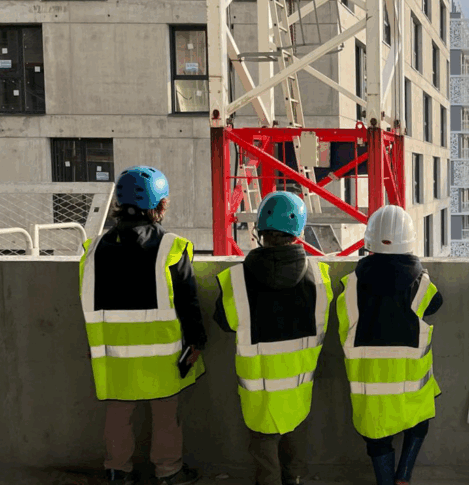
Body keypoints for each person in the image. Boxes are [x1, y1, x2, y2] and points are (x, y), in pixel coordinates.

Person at [78, 166, 206, 485]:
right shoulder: (170, 248)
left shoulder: (92, 251)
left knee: (118, 417)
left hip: (114, 357)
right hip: (162, 357)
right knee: (166, 417)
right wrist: (197, 341)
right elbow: (188, 303)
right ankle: (168, 472)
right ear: (160, 206)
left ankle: (118, 472)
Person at [213, 191, 333, 485]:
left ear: (260, 233)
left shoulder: (236, 280)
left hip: (259, 389)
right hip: (298, 389)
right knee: (295, 440)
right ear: (299, 233)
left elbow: (225, 322)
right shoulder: (320, 277)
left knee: (264, 449)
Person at [336, 205, 444, 485]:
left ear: (369, 241)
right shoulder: (421, 284)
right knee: (419, 422)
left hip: (368, 384)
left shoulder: (349, 285)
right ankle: (403, 477)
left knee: (376, 436)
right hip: (411, 384)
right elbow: (436, 303)